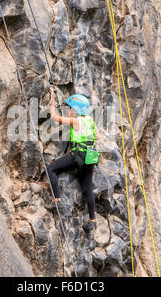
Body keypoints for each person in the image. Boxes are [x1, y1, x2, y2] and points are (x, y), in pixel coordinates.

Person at [46, 89, 99, 231]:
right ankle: (92, 219)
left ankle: (56, 199)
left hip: (78, 157)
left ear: (76, 109)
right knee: (87, 187)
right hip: (90, 159)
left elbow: (54, 117)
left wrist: (52, 101)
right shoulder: (90, 121)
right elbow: (97, 137)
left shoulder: (75, 121)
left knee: (51, 169)